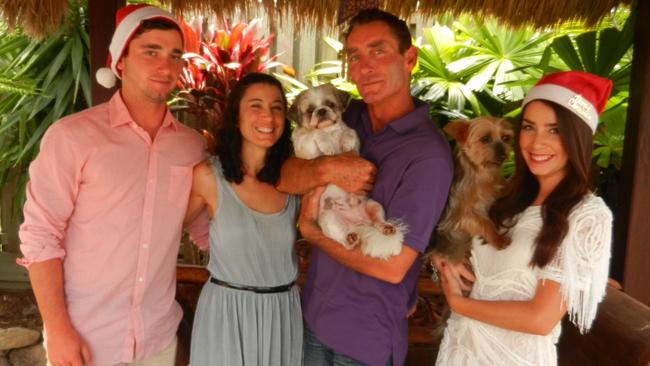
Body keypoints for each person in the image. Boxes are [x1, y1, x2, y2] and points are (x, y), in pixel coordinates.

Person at [18, 4, 205, 365]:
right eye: (150, 51)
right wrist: (57, 329)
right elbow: (40, 237)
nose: (165, 66)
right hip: (86, 339)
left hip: (157, 339)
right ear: (120, 61)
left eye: (175, 55)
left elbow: (203, 227)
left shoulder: (190, 146)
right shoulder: (72, 137)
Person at [279, 8, 454, 366]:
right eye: (354, 56)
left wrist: (313, 233)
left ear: (410, 58)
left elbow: (393, 267)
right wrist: (329, 167)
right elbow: (285, 177)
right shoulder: (346, 115)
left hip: (364, 337)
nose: (363, 67)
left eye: (378, 51)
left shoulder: (428, 155)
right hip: (315, 314)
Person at [435, 70, 614, 366]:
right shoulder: (508, 199)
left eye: (554, 130)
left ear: (577, 138)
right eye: (529, 127)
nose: (536, 142)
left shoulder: (587, 215)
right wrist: (444, 259)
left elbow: (541, 319)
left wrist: (459, 303)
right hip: (461, 350)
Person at [184, 73, 302, 366]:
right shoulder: (209, 176)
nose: (268, 116)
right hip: (227, 312)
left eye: (277, 107)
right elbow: (161, 232)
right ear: (236, 117)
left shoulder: (294, 180)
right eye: (256, 106)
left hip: (282, 312)